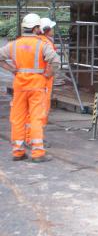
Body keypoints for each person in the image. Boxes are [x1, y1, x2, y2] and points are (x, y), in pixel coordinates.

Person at [0, 13, 60, 162]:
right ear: (35, 28)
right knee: (36, 118)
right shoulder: (42, 45)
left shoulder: (14, 45)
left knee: (18, 118)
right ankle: (38, 153)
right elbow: (56, 62)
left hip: (20, 85)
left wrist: (13, 70)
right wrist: (47, 74)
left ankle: (18, 152)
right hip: (37, 85)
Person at [39, 18, 59, 126]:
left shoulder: (39, 40)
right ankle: (41, 123)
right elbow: (53, 62)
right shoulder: (46, 43)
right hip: (45, 78)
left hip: (39, 76)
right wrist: (48, 74)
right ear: (46, 29)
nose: (53, 30)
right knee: (44, 102)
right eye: (51, 28)